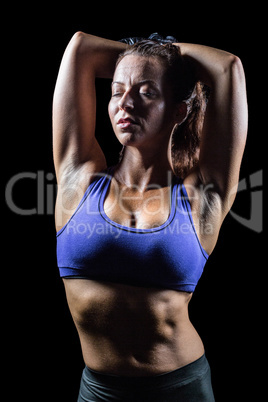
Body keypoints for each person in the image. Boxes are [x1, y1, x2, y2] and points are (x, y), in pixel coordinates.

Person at [53, 31, 247, 401]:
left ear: (178, 110)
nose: (125, 103)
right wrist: (151, 56)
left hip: (181, 388)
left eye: (146, 92)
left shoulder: (201, 197)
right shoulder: (78, 178)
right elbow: (79, 47)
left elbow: (227, 68)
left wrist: (165, 57)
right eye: (116, 90)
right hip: (99, 391)